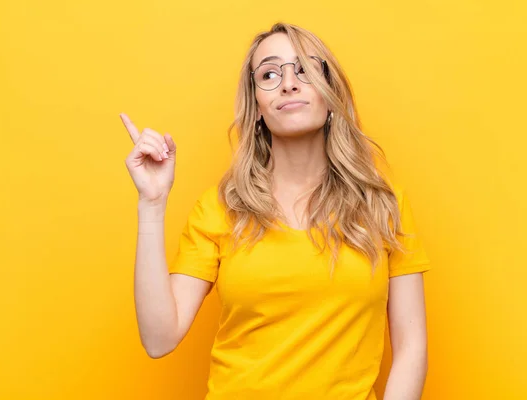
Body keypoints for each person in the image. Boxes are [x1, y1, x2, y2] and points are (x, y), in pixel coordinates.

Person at [121, 22, 431, 400]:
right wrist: (151, 204)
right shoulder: (221, 208)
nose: (288, 83)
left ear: (331, 95)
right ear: (256, 108)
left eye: (304, 69)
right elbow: (159, 338)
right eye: (269, 73)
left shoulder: (382, 203)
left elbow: (411, 345)